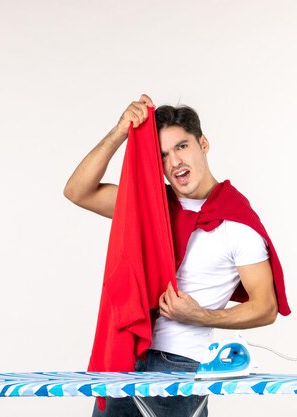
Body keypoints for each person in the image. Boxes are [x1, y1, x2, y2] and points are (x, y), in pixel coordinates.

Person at [63, 94, 280, 417]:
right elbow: (77, 191)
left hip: (180, 364)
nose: (175, 161)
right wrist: (120, 131)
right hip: (125, 355)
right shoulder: (149, 205)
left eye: (181, 146)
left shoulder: (236, 223)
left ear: (203, 143)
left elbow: (266, 308)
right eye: (162, 155)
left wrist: (202, 316)